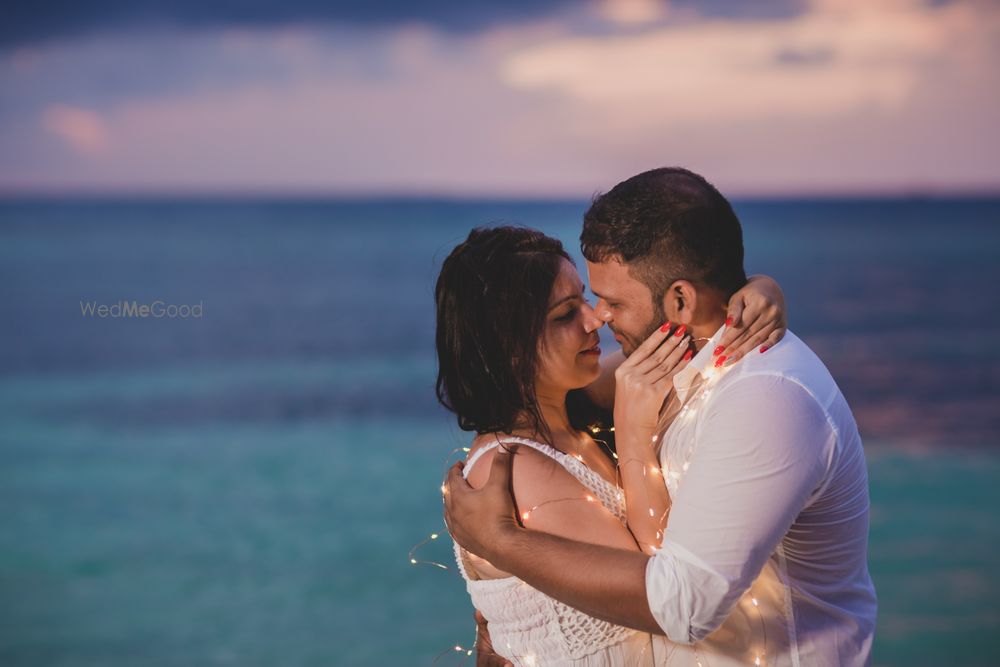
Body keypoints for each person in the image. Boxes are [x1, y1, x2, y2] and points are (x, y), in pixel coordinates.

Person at [444, 167, 879, 666]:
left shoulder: (764, 398)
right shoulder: (660, 365)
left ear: (680, 300)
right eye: (578, 307)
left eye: (608, 302)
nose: (599, 318)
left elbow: (682, 606)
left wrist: (500, 541)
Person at [434, 223, 788, 665]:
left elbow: (691, 334)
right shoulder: (515, 469)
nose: (595, 317)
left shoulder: (576, 408)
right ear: (510, 349)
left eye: (583, 298)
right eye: (565, 315)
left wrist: (758, 289)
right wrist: (634, 432)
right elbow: (667, 599)